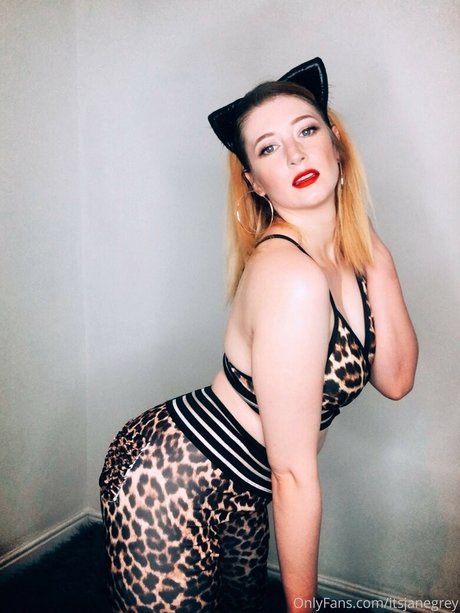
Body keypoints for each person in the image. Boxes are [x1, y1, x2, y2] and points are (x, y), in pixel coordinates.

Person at [99, 57, 418, 612]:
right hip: (169, 479)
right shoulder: (289, 275)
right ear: (254, 181)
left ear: (336, 144)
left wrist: (378, 258)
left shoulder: (352, 256)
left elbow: (395, 379)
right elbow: (293, 471)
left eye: (306, 131)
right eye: (268, 148)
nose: (294, 154)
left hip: (249, 485)